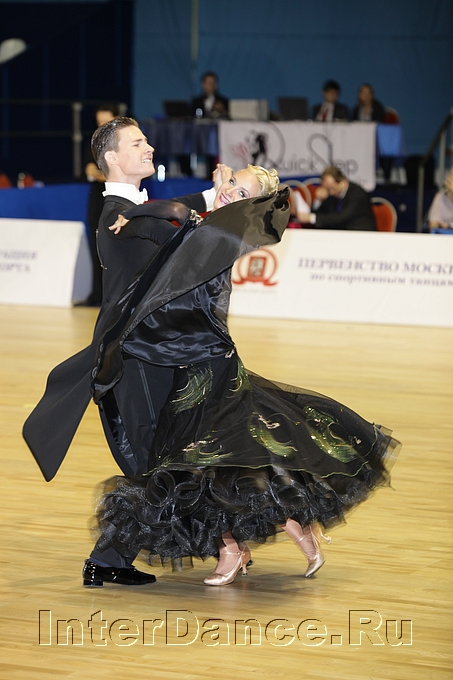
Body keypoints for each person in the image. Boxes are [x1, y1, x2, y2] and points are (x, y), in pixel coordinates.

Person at [85, 167, 400, 588]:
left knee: (206, 460)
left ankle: (236, 548)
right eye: (231, 183)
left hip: (207, 362)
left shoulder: (222, 232)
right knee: (231, 457)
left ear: (251, 204)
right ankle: (290, 531)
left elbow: (173, 220)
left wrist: (136, 215)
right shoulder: (218, 225)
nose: (229, 191)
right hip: (193, 358)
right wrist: (167, 208)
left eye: (240, 191)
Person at [22, 117, 225, 584]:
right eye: (137, 143)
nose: (149, 147)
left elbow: (168, 211)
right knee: (154, 460)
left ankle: (216, 543)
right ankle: (109, 560)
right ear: (112, 158)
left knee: (168, 453)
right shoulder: (119, 218)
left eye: (146, 140)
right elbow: (174, 227)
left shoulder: (133, 211)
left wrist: (218, 195)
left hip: (150, 353)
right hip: (132, 359)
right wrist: (221, 203)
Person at [83, 103, 120, 306]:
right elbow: (89, 171)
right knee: (96, 249)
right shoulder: (94, 143)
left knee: (115, 251)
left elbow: (117, 175)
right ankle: (96, 294)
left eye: (106, 122)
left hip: (117, 203)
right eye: (99, 123)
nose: (102, 127)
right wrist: (101, 175)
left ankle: (113, 296)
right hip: (97, 202)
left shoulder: (123, 145)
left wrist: (101, 174)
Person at [297, 165, 377, 231]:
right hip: (340, 234)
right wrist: (318, 200)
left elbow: (342, 217)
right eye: (327, 189)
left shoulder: (357, 194)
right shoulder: (332, 194)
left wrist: (311, 218)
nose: (330, 192)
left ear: (342, 182)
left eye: (331, 188)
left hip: (361, 234)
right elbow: (321, 215)